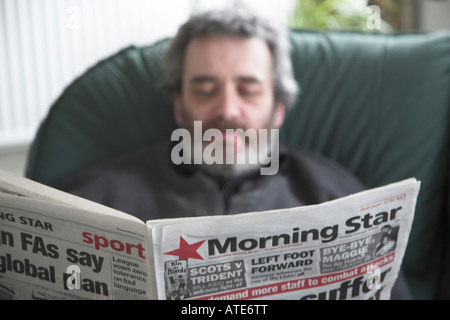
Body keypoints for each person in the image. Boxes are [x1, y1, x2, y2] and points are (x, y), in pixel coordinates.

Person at [55, 8, 411, 299]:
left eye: (249, 90)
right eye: (206, 89)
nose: (227, 109)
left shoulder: (339, 196)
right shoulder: (95, 197)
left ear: (279, 109)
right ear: (179, 106)